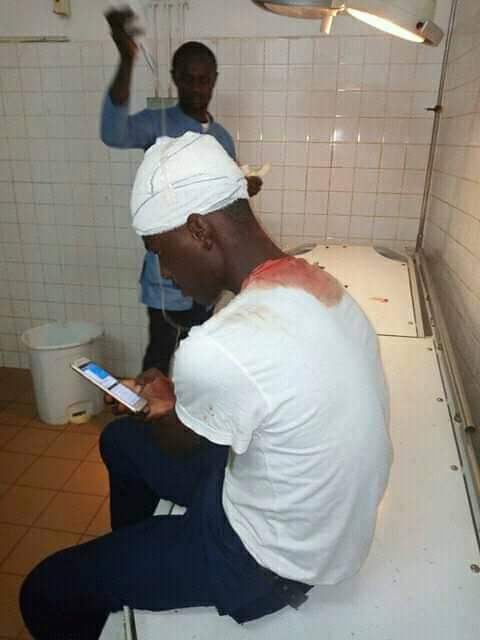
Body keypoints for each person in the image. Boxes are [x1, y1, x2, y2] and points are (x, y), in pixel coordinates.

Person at [20, 132, 393, 639]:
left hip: (265, 562)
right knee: (120, 441)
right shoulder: (323, 289)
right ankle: (135, 565)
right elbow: (251, 396)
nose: (164, 271)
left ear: (199, 230)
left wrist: (157, 407)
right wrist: (171, 398)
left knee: (43, 591)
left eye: (160, 251)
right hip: (323, 531)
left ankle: (140, 566)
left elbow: (180, 440)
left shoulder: (220, 343)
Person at [101, 7, 262, 375]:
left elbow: (223, 206)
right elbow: (112, 132)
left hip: (209, 277)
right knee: (159, 358)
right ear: (175, 79)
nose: (196, 88)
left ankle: (185, 410)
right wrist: (126, 60)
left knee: (199, 361)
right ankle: (148, 409)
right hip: (168, 279)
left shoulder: (220, 137)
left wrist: (242, 187)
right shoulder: (157, 124)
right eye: (188, 79)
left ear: (214, 80)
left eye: (203, 80)